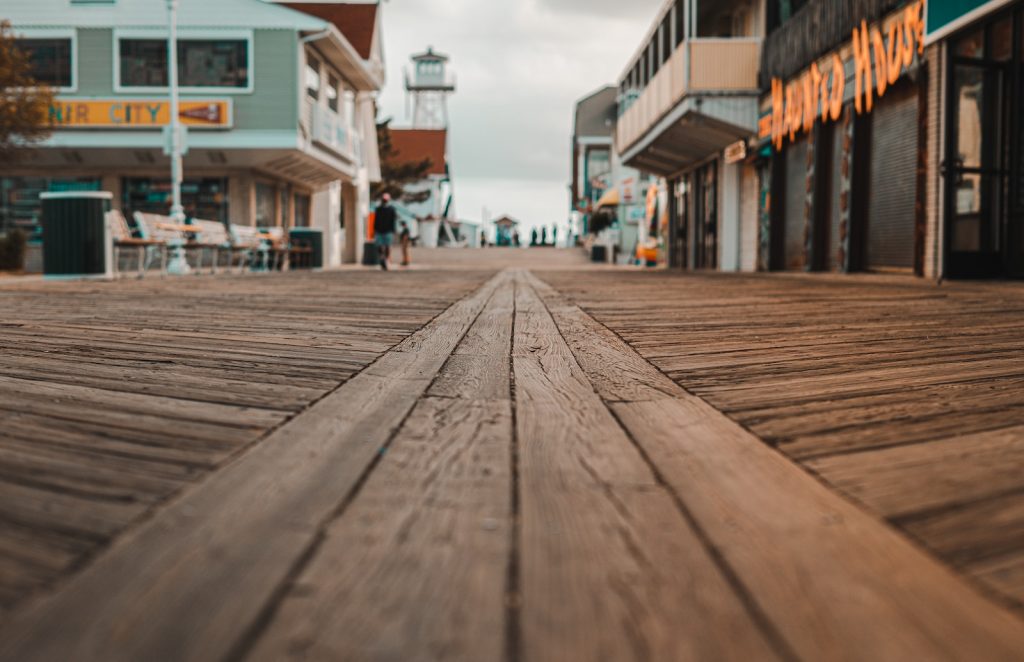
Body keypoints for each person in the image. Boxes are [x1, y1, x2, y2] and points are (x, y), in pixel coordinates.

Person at [375, 193, 397, 270]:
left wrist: (393, 230)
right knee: (379, 247)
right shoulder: (378, 209)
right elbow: (376, 220)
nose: (384, 201)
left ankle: (386, 261)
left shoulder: (392, 209)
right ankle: (382, 259)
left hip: (388, 231)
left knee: (388, 247)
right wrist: (375, 229)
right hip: (379, 231)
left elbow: (393, 221)